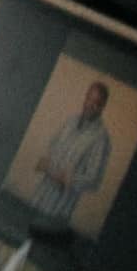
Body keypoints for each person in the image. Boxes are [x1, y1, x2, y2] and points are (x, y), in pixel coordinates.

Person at [29, 78, 115, 232]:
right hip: (39, 196)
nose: (90, 105)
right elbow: (52, 147)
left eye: (96, 103)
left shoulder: (101, 139)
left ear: (103, 107)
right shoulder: (71, 121)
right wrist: (45, 162)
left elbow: (94, 180)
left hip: (60, 207)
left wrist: (63, 177)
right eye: (89, 98)